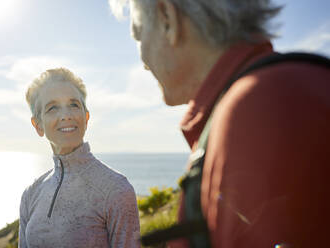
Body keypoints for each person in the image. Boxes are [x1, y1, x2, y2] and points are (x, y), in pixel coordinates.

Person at [109, 0, 330, 247]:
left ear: (167, 18)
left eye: (139, 36)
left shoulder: (259, 106)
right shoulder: (270, 93)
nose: (143, 61)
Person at [19, 68, 140, 248]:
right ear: (38, 125)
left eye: (74, 105)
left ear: (86, 117)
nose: (66, 115)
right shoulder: (31, 194)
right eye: (53, 108)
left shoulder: (117, 190)